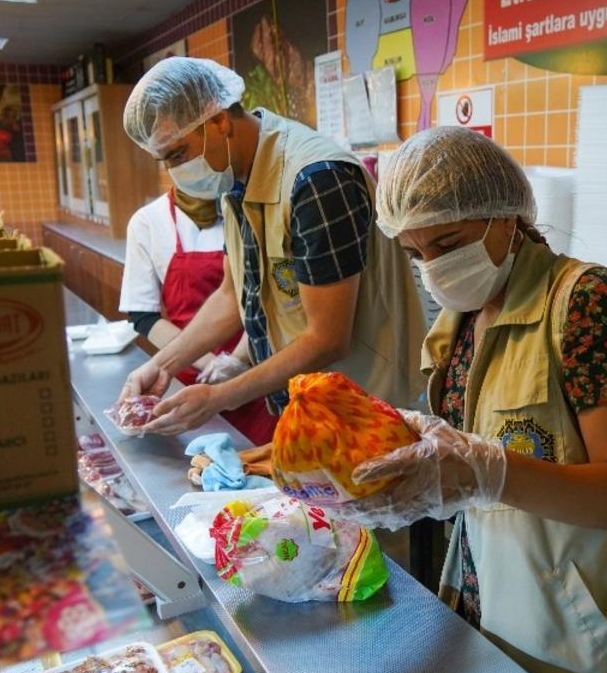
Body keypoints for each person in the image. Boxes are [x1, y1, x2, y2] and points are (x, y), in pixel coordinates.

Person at [328, 128, 607, 673]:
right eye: (415, 253)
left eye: (447, 242)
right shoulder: (460, 318)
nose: (432, 267)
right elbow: (481, 443)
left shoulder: (589, 303)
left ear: (506, 216)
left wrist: (487, 471)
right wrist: (424, 460)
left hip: (588, 644)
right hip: (496, 620)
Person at [118, 57, 426, 435]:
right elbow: (231, 297)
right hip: (306, 406)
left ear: (218, 120)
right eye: (164, 160)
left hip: (363, 411)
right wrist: (160, 365)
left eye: (178, 154)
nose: (175, 172)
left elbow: (326, 338)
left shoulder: (316, 180)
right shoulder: (233, 180)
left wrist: (218, 397)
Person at [118, 185, 278, 444]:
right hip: (188, 385)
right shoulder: (148, 221)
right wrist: (205, 364)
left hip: (260, 374)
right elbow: (143, 316)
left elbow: (264, 300)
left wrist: (237, 360)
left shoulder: (247, 209)